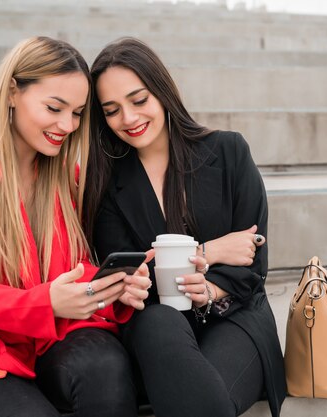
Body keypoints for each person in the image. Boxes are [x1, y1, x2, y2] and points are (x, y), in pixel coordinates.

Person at [0, 36, 152, 417]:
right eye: (54, 108)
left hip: (54, 337)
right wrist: (46, 302)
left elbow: (72, 267)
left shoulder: (62, 174)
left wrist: (109, 288)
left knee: (106, 371)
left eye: (77, 113)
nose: (67, 125)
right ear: (12, 93)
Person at [82, 37, 287, 417]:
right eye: (111, 110)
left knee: (203, 400)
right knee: (158, 323)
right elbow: (128, 274)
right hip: (156, 327)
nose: (128, 118)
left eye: (138, 100)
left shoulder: (228, 152)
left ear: (161, 91)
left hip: (233, 314)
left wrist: (209, 285)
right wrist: (210, 251)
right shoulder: (106, 184)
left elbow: (253, 263)